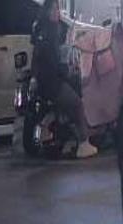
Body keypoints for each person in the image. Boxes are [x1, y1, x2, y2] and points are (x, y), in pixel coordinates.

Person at [31, 0, 97, 158]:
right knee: (77, 103)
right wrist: (67, 70)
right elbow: (53, 62)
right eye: (54, 9)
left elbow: (37, 58)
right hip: (52, 82)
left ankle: (69, 136)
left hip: (43, 81)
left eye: (58, 9)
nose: (57, 12)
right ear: (47, 11)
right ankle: (83, 143)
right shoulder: (50, 32)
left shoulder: (40, 29)